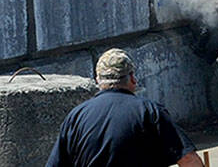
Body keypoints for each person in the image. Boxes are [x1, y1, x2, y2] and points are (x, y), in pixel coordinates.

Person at [46, 48, 202, 167]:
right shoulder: (150, 112)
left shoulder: (76, 116)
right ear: (132, 78)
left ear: (98, 81)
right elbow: (188, 160)